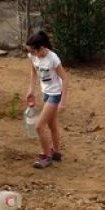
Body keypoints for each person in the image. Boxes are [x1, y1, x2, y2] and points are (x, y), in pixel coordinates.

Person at [25, 31, 69, 169]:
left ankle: (46, 156)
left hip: (55, 93)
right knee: (52, 126)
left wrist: (63, 101)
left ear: (42, 47)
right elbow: (33, 72)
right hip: (45, 92)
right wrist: (31, 89)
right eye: (30, 51)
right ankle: (56, 152)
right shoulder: (33, 57)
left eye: (34, 50)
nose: (32, 53)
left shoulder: (53, 58)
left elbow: (65, 78)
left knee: (39, 126)